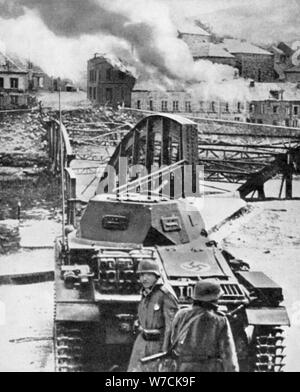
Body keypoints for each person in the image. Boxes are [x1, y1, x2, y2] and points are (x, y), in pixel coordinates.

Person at [170, 280, 239, 372]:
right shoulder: (220, 320)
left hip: (184, 367)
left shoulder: (181, 314)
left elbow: (173, 340)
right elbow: (227, 355)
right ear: (215, 299)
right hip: (209, 368)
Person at [127, 259, 178, 372]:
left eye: (149, 275)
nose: (144, 278)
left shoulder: (165, 294)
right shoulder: (145, 293)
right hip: (141, 343)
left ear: (156, 276)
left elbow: (171, 325)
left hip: (158, 345)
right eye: (141, 275)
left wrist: (166, 350)